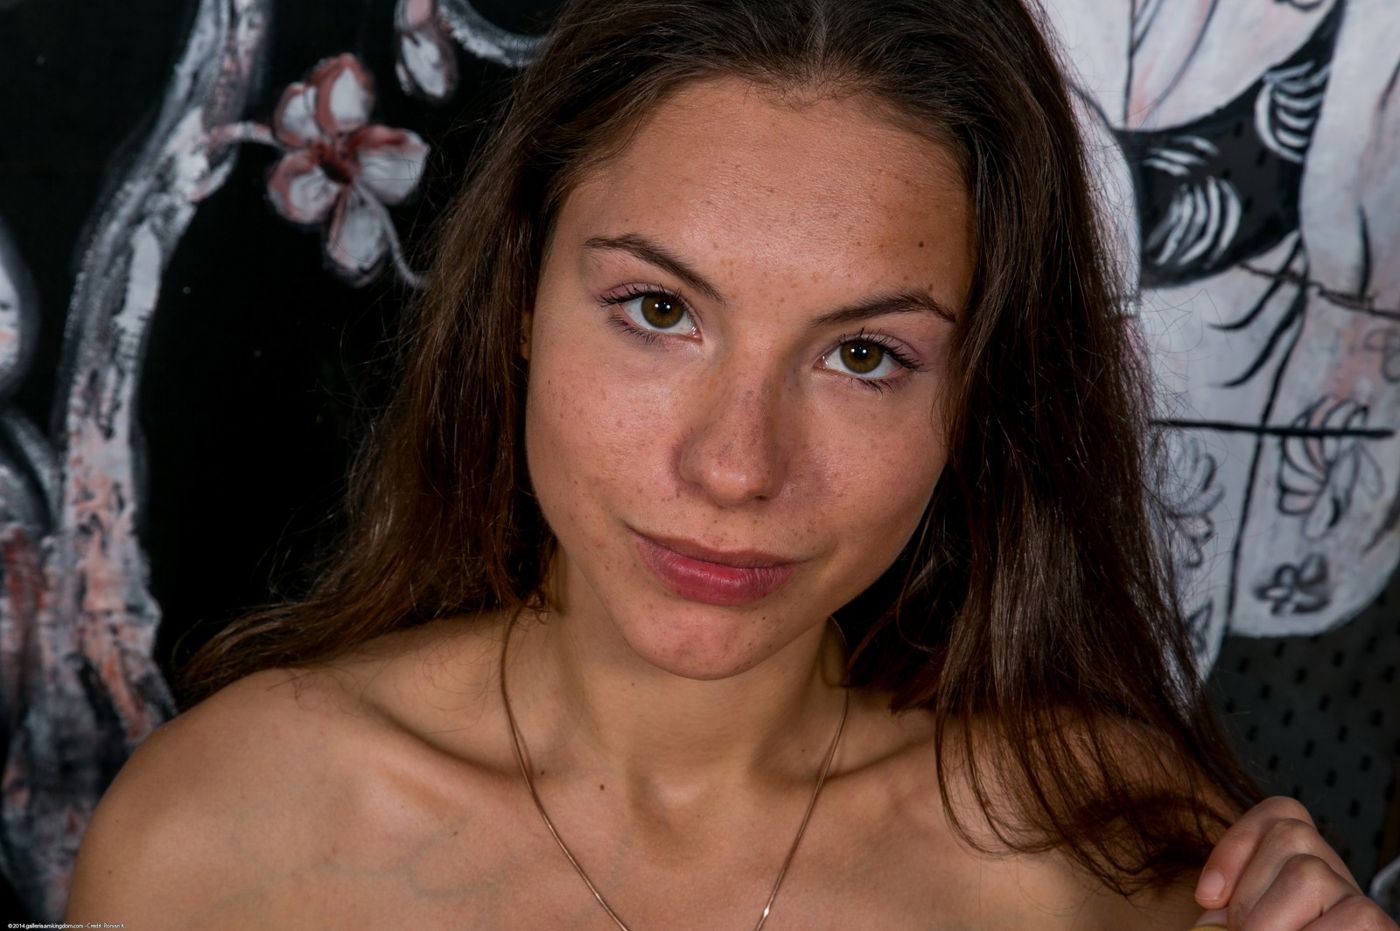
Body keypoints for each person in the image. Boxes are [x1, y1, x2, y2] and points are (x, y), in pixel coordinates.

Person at [63, 0, 1396, 928]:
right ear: (519, 299)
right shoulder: (219, 833)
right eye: (658, 311)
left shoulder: (1118, 860)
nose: (738, 468)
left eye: (863, 355)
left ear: (978, 392)